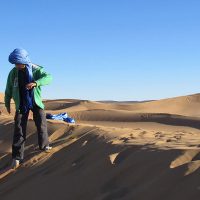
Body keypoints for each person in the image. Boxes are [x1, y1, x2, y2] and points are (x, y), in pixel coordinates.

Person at [4, 48, 53, 169]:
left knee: (41, 123)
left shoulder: (35, 69)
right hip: (22, 103)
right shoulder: (13, 72)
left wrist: (36, 83)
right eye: (14, 63)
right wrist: (7, 102)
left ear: (24, 60)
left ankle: (44, 146)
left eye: (18, 62)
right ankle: (17, 156)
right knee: (19, 129)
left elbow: (49, 77)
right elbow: (8, 88)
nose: (16, 65)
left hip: (35, 101)